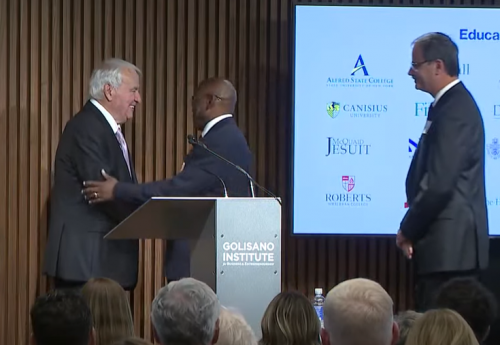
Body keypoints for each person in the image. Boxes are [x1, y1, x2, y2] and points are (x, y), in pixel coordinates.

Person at [81, 77, 253, 281]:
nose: (191, 107)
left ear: (209, 101)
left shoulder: (221, 142)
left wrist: (118, 190)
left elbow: (178, 189)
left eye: (193, 100)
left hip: (204, 267)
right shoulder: (226, 137)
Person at [396, 32, 489, 311]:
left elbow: (439, 183)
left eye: (416, 64)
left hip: (450, 255)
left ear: (437, 66)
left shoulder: (455, 109)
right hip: (444, 251)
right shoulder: (446, 106)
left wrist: (407, 228)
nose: (410, 71)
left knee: (441, 335)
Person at [43, 58, 142, 290]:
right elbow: (102, 190)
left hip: (100, 264)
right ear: (109, 90)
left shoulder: (104, 128)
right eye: (133, 90)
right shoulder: (87, 128)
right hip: (87, 264)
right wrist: (145, 213)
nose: (138, 98)